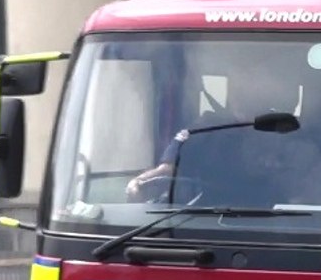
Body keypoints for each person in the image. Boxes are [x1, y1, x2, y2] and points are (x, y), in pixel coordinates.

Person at [124, 74, 302, 203]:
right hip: (207, 222)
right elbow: (167, 170)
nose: (241, 95)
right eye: (236, 89)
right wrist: (140, 183)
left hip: (271, 222)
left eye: (249, 90)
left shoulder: (281, 129)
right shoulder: (203, 129)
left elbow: (301, 189)